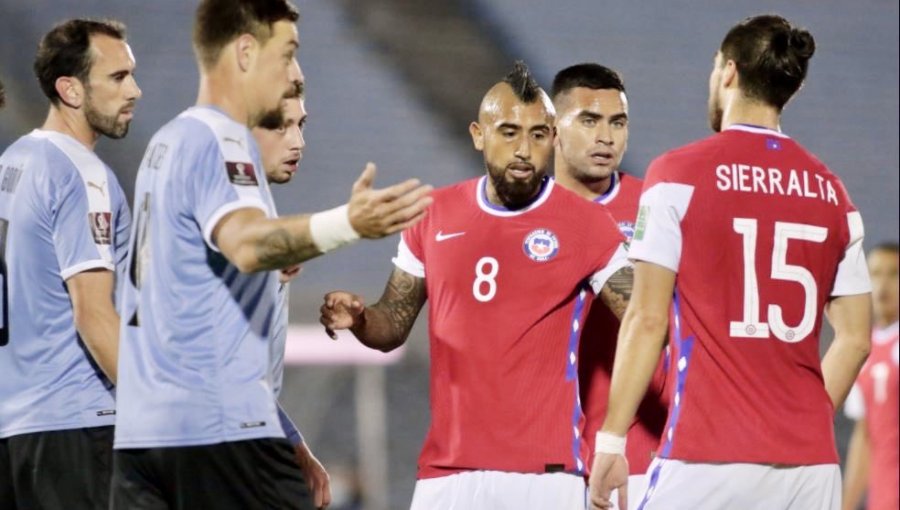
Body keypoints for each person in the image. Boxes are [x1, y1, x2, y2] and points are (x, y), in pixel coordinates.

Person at [110, 0, 431, 508]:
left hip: (147, 435)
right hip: (220, 432)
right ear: (244, 52)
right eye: (287, 53)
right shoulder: (223, 139)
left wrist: (288, 435)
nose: (294, 71)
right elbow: (245, 243)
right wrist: (347, 223)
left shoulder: (167, 142)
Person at [589, 14, 873, 510]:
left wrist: (612, 440)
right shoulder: (833, 194)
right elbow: (854, 338)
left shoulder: (678, 175)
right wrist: (798, 422)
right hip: (810, 465)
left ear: (728, 72)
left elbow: (648, 317)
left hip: (708, 455)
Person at [320, 61, 633, 510]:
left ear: (554, 139)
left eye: (538, 134)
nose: (524, 149)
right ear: (478, 134)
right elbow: (391, 327)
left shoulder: (587, 225)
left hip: (544, 475)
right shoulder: (433, 216)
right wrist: (360, 318)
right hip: (447, 474)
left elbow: (648, 319)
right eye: (509, 132)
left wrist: (614, 439)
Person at [0, 18, 139, 509]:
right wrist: (165, 413)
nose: (136, 91)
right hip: (74, 425)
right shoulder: (82, 175)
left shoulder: (11, 163)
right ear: (71, 90)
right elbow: (93, 315)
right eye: (118, 77)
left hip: (13, 428)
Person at [551, 63, 667, 505]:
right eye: (589, 121)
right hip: (545, 458)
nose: (606, 136)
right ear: (552, 128)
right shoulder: (522, 217)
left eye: (617, 123)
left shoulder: (657, 207)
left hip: (640, 455)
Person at [252, 80, 331, 509]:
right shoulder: (223, 211)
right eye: (282, 127)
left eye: (301, 125)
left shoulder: (259, 208)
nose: (298, 141)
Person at [842, 243, 898, 510]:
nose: (884, 284)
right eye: (875, 274)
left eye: (894, 274)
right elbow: (864, 438)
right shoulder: (860, 349)